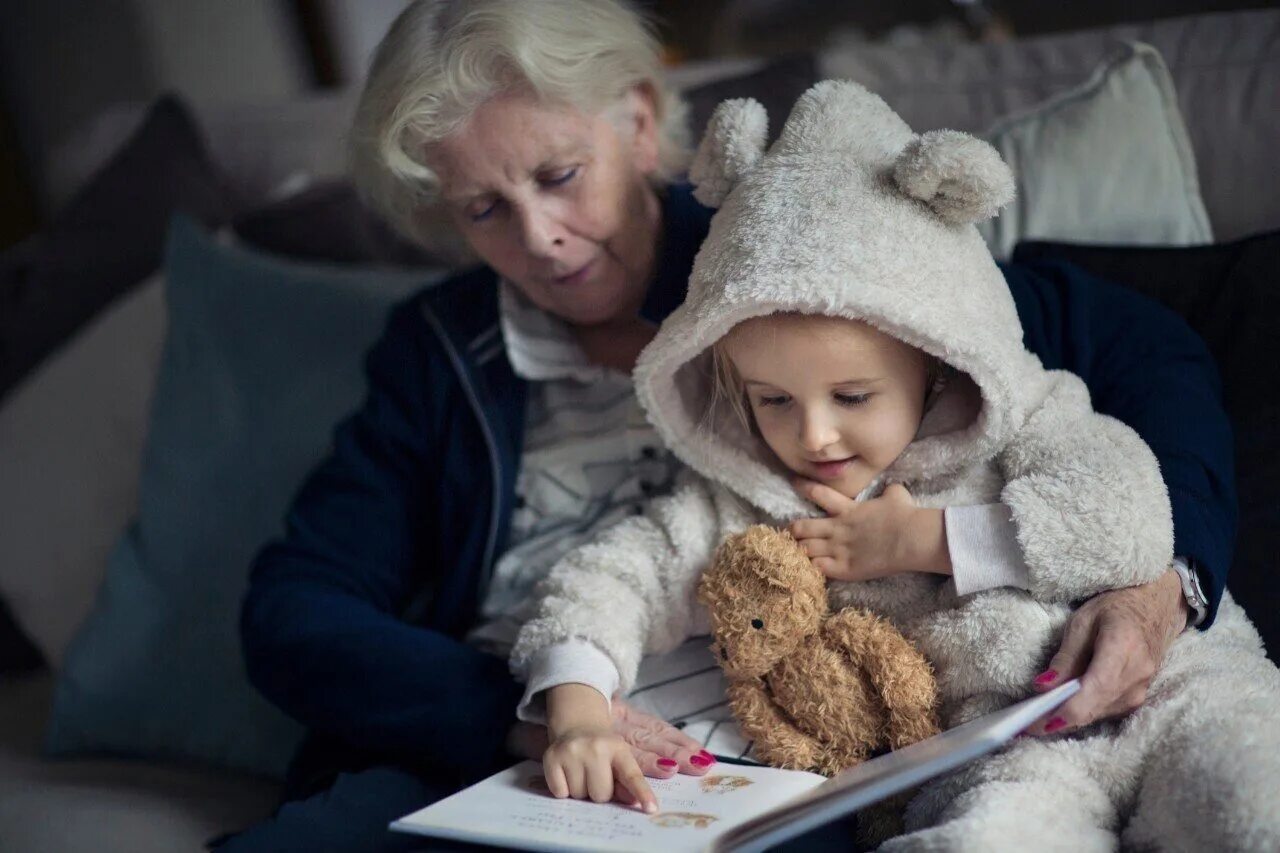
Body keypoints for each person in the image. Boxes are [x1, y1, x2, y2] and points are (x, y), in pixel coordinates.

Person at [225, 1, 1237, 849]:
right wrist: (527, 714)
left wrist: (1158, 581)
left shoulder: (795, 252)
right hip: (511, 735)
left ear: (633, 120)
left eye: (557, 175)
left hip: (783, 742)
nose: (539, 239)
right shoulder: (439, 352)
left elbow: (1142, 350)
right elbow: (294, 608)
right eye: (482, 209)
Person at [508, 82, 1280, 850]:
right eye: (772, 399)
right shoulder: (749, 494)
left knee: (1252, 803)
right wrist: (577, 707)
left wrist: (926, 542)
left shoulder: (1027, 412)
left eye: (852, 394)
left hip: (1182, 686)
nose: (813, 435)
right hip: (998, 751)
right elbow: (616, 574)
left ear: (932, 365)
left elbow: (1126, 521)